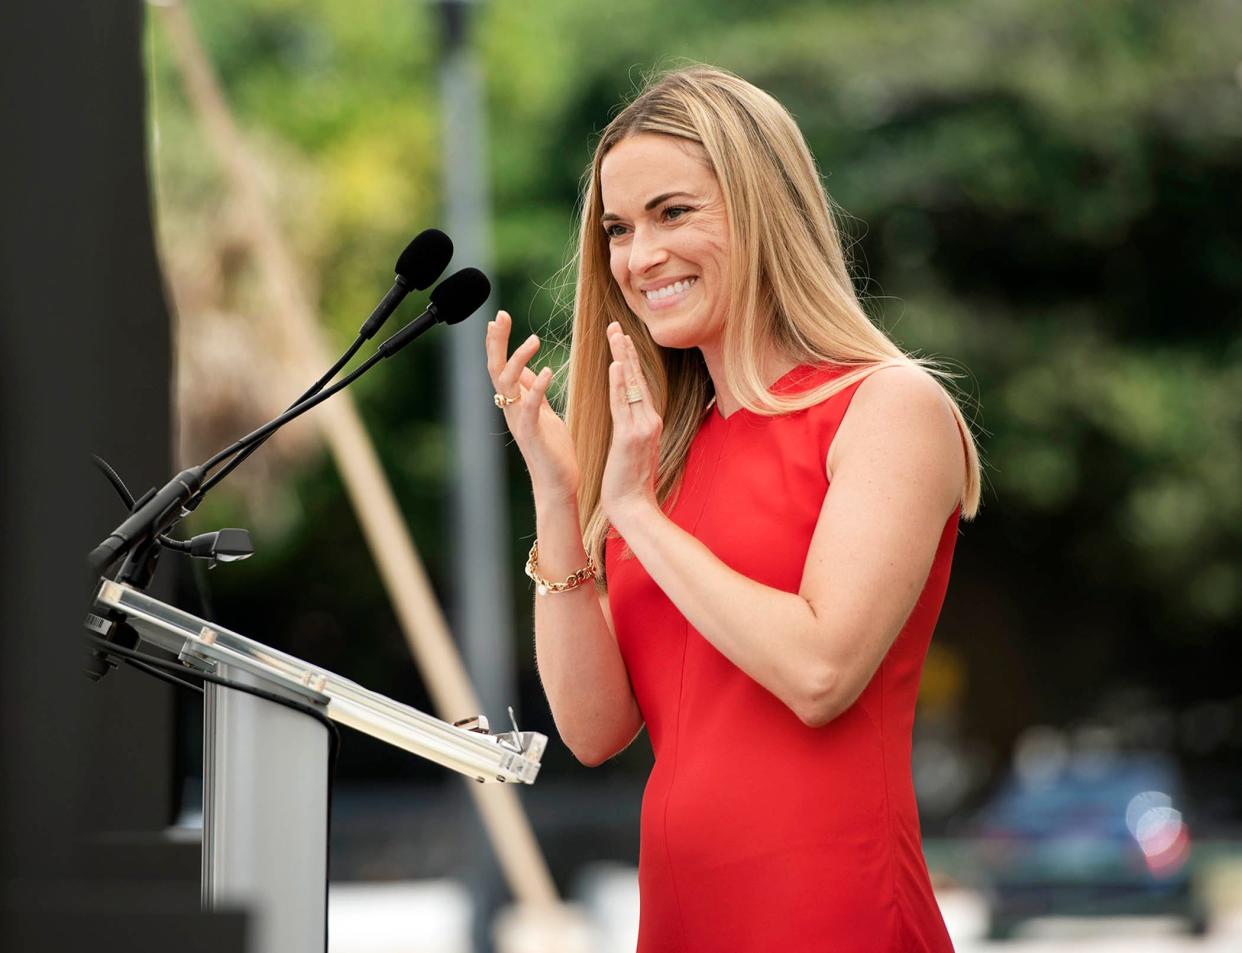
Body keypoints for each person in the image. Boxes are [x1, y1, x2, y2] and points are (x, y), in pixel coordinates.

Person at [484, 64, 981, 953]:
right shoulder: (661, 457)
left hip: (834, 913)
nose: (639, 258)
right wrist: (563, 499)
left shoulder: (887, 407)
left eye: (674, 213)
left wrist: (634, 513)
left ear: (762, 210)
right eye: (618, 229)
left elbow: (821, 672)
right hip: (681, 920)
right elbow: (595, 729)